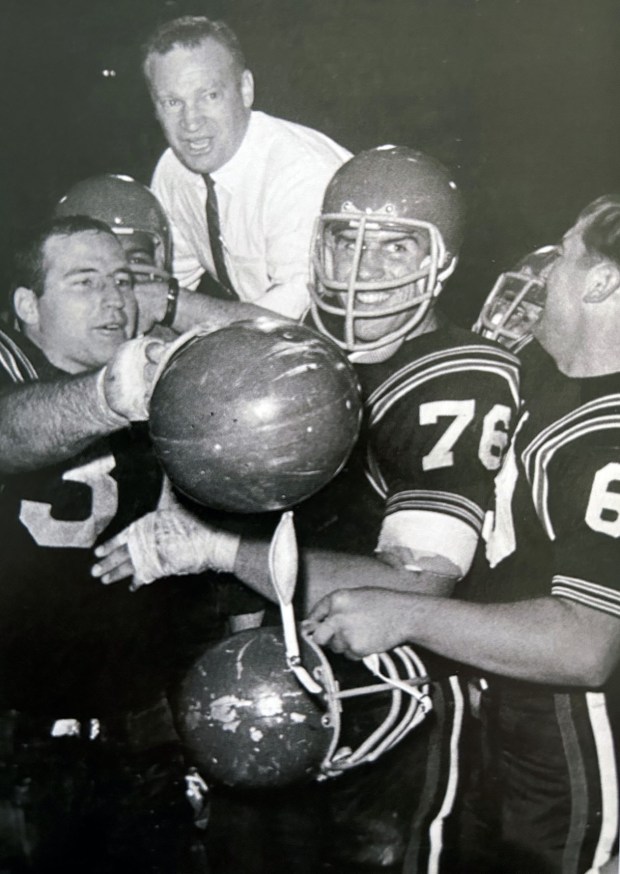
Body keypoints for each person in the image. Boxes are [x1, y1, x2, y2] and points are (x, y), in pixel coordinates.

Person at [94, 146, 522, 873]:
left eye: (394, 247)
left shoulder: (456, 375)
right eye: (344, 241)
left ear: (441, 262)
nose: (363, 269)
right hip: (268, 683)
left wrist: (216, 549)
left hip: (390, 700)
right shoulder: (310, 351)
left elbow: (417, 585)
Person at [306, 194, 620, 874]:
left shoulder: (610, 440)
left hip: (576, 738)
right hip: (504, 714)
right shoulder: (550, 376)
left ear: (603, 281)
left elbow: (585, 644)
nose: (545, 273)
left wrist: (410, 613)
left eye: (566, 255)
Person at [0, 215, 219, 873]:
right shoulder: (28, 365)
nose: (115, 300)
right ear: (27, 306)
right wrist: (109, 395)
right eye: (85, 281)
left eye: (123, 280)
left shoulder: (154, 370)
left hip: (135, 732)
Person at [143, 15, 351, 319]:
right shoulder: (173, 170)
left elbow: (299, 315)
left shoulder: (301, 173)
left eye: (209, 96)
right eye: (172, 103)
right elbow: (165, 284)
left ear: (245, 89)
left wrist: (173, 305)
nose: (191, 122)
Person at [53, 172, 267, 337]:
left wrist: (171, 303)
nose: (118, 289)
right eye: (91, 271)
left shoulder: (172, 346)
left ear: (159, 257)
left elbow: (286, 346)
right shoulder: (34, 352)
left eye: (136, 260)